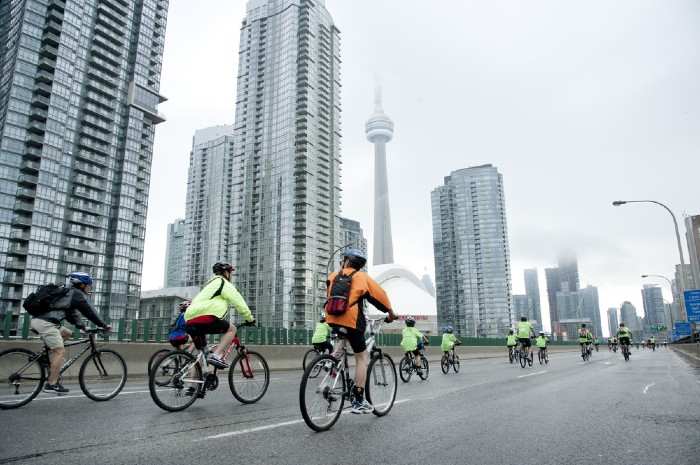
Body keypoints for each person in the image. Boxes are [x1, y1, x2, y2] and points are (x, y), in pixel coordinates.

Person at [325, 248, 398, 414]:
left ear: (346, 261)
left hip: (332, 319)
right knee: (362, 357)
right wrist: (390, 312)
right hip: (351, 321)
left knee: (343, 343)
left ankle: (333, 366)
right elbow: (380, 296)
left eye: (342, 260)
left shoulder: (332, 276)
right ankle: (358, 399)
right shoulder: (361, 277)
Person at [30, 272, 110, 394]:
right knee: (60, 351)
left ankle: (45, 357)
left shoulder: (67, 294)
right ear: (81, 285)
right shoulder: (76, 294)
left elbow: (71, 314)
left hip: (41, 321)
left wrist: (82, 327)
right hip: (46, 323)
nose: (90, 288)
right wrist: (103, 325)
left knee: (67, 333)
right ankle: (51, 384)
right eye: (88, 285)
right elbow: (89, 311)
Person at [184, 262, 255, 369]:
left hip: (189, 320)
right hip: (206, 318)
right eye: (230, 272)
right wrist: (250, 319)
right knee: (232, 329)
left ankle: (194, 385)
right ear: (226, 273)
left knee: (202, 356)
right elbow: (239, 302)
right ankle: (216, 355)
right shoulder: (224, 283)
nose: (231, 275)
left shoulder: (208, 285)